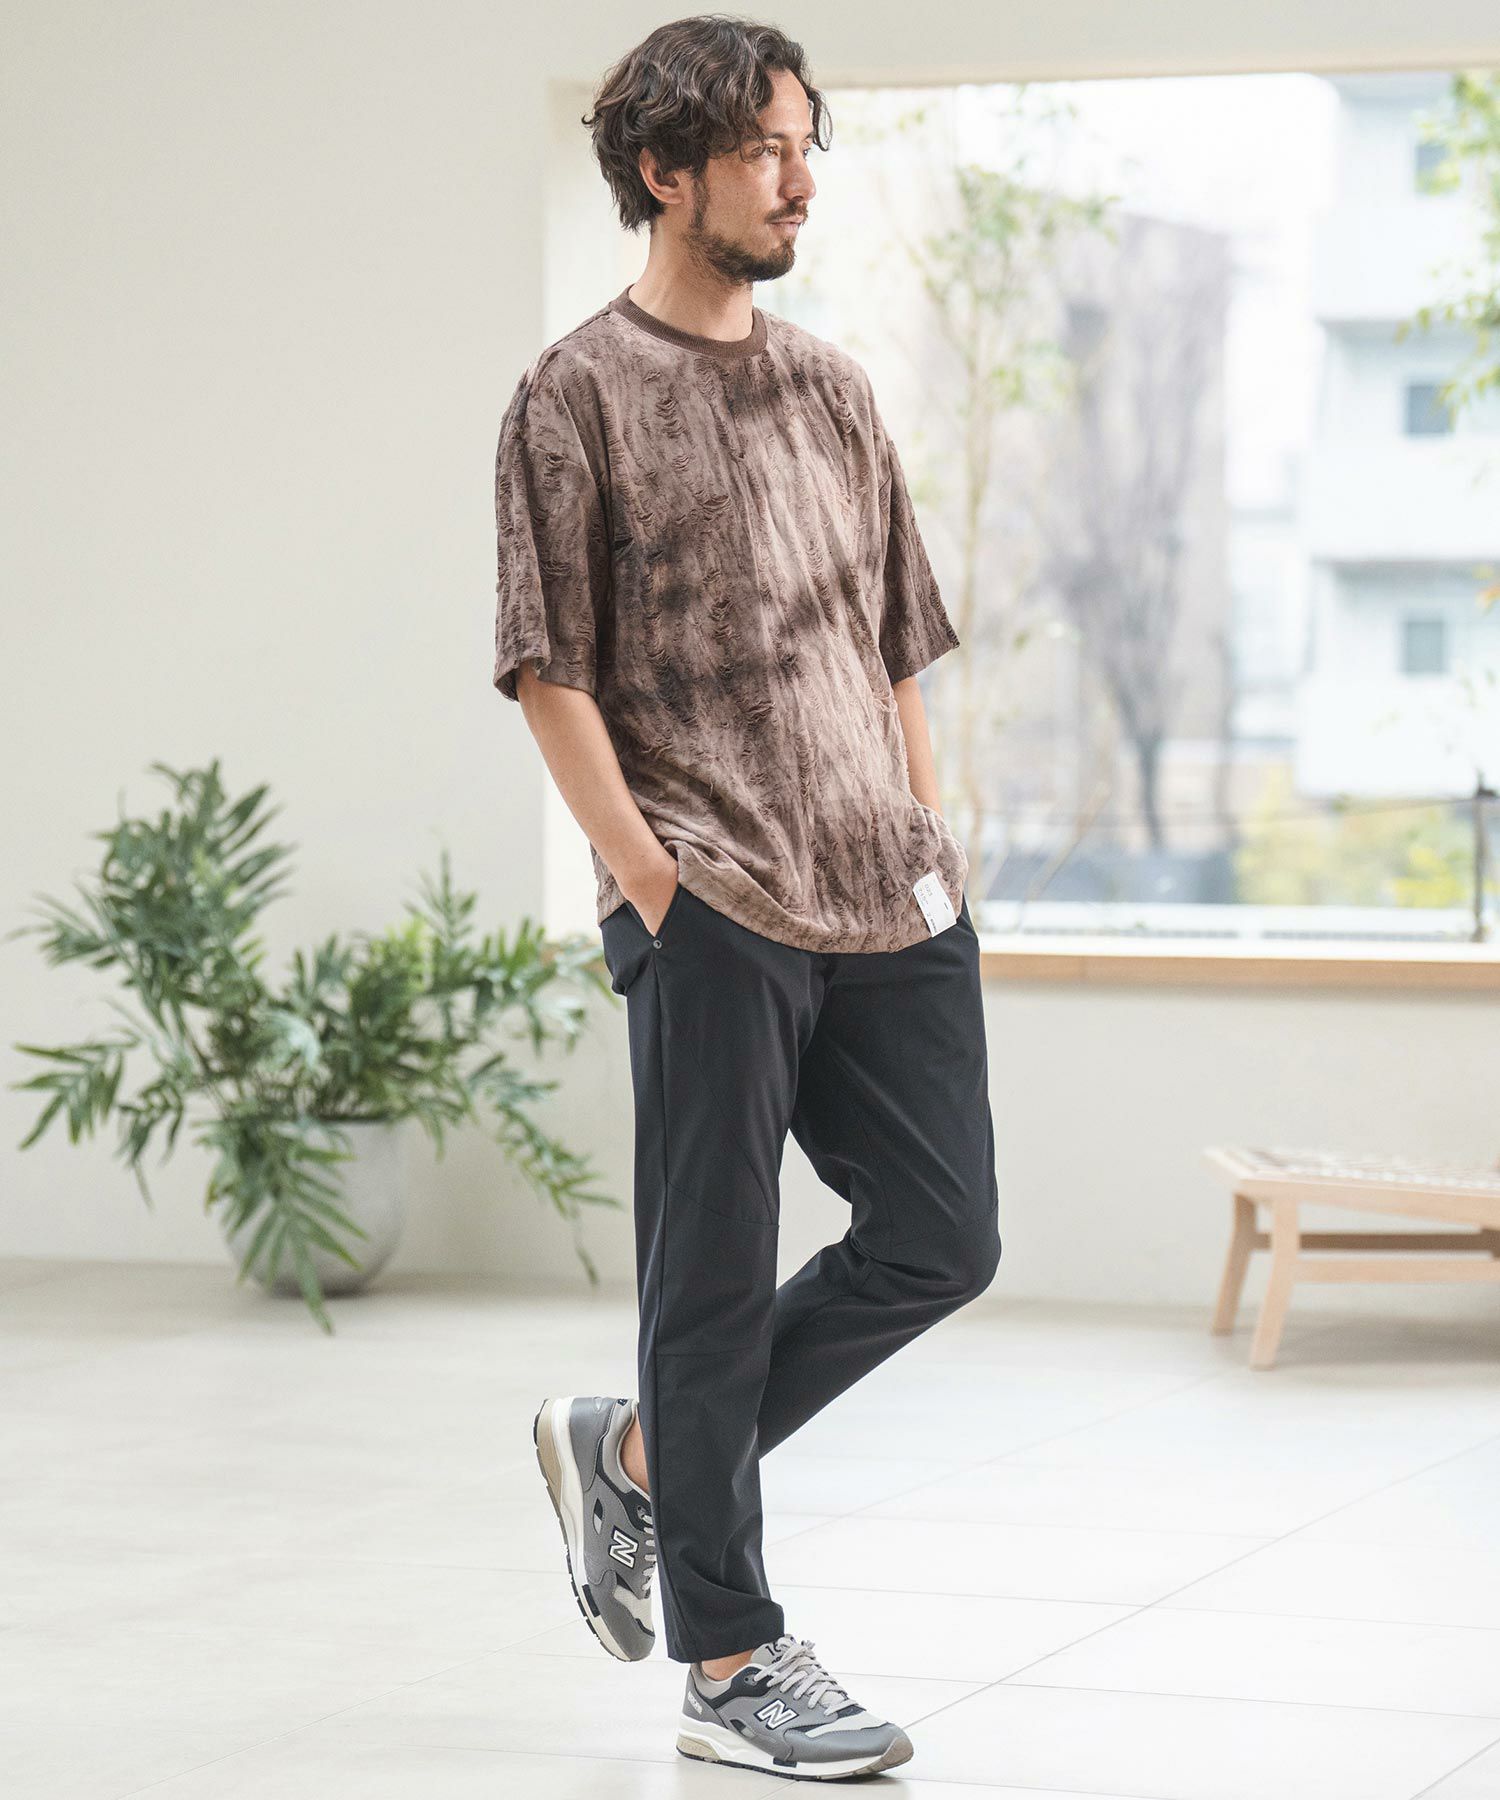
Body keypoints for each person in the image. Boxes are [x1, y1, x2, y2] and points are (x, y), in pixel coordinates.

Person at [497, 16, 1002, 1782]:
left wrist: (923, 837)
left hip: (885, 894)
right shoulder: (574, 394)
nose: (800, 181)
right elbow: (549, 666)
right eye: (766, 151)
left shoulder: (835, 390)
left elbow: (893, 643)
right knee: (706, 1287)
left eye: (807, 147)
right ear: (665, 172)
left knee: (944, 1237)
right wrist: (653, 885)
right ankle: (729, 1661)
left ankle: (638, 1459)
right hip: (709, 894)